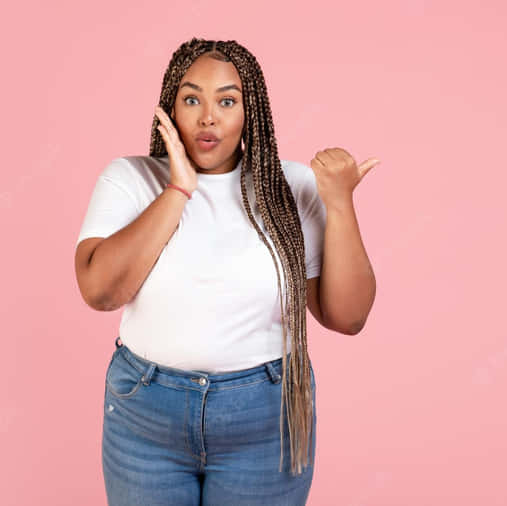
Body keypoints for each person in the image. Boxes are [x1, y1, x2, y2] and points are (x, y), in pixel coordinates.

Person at [74, 38, 378, 505]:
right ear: (170, 108)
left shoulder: (290, 187)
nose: (207, 117)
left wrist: (338, 202)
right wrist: (178, 188)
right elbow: (99, 291)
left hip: (265, 418)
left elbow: (348, 317)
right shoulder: (130, 179)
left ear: (250, 111)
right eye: (191, 99)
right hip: (145, 414)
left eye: (227, 101)